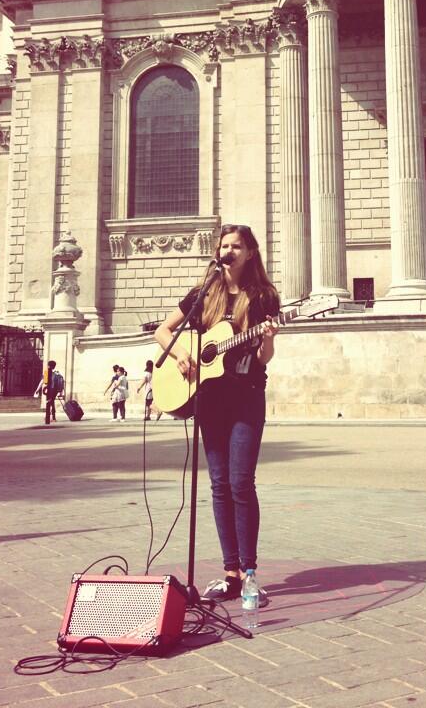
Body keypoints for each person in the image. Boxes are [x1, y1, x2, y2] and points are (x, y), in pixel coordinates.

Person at [154, 224, 279, 605]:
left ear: (250, 253)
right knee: (219, 485)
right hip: (210, 398)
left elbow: (261, 359)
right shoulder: (204, 292)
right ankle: (230, 573)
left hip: (246, 396)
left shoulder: (264, 297)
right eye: (224, 246)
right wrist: (180, 356)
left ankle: (251, 572)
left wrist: (268, 340)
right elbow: (164, 331)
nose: (229, 251)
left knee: (242, 484)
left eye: (236, 246)